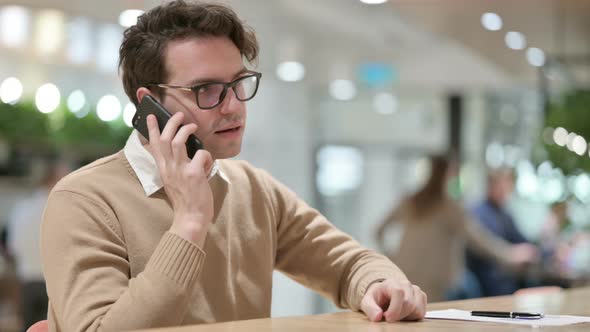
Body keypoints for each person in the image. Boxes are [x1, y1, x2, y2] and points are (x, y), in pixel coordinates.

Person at [40, 1, 426, 331]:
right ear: (149, 103)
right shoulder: (85, 199)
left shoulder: (253, 189)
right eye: (206, 89)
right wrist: (189, 222)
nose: (233, 106)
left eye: (238, 83)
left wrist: (383, 284)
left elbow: (348, 264)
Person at [375, 156, 538, 302]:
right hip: (435, 282)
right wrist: (510, 255)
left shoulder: (411, 201)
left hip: (406, 273)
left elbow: (379, 230)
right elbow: (479, 241)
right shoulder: (448, 207)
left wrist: (393, 258)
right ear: (449, 174)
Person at [7, 161, 69, 330]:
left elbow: (13, 247)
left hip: (27, 282)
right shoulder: (65, 208)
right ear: (53, 181)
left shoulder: (21, 209)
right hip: (56, 285)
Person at [466, 168, 539, 296]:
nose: (505, 191)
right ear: (490, 186)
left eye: (507, 186)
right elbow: (485, 247)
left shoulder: (505, 215)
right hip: (488, 274)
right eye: (501, 186)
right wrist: (512, 254)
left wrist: (534, 250)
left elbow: (522, 239)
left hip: (508, 272)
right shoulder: (478, 213)